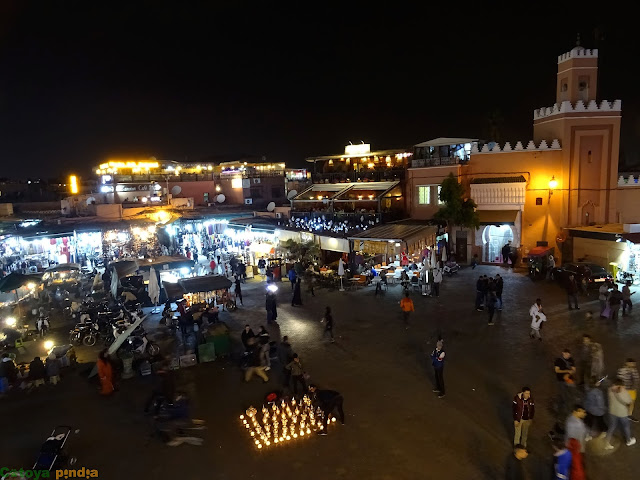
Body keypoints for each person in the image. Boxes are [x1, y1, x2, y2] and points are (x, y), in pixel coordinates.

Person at [604, 378, 636, 449]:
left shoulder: (609, 390)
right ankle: (628, 440)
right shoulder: (624, 392)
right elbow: (629, 401)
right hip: (622, 413)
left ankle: (606, 442)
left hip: (612, 412)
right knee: (626, 426)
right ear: (621, 385)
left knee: (612, 426)